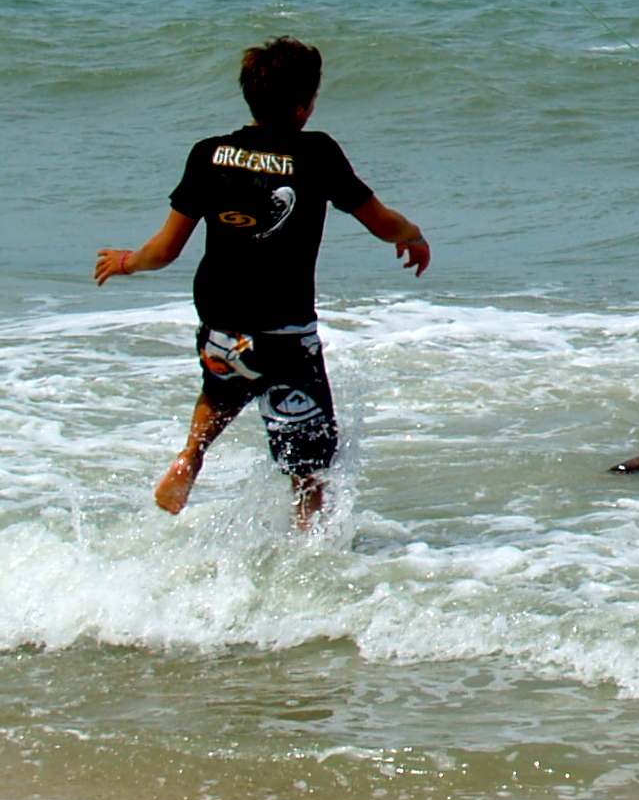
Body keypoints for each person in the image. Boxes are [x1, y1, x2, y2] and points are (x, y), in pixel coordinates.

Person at [93, 36, 429, 530]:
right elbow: (381, 223)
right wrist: (413, 235)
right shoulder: (317, 153)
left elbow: (164, 251)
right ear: (303, 105)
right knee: (308, 471)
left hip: (222, 327)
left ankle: (191, 456)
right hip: (285, 336)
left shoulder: (208, 154)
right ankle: (307, 549)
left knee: (222, 388)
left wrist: (125, 262)